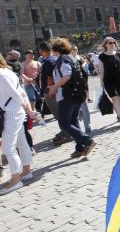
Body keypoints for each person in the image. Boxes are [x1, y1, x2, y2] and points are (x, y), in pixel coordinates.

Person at [48, 38, 96, 158]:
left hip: (68, 95)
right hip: (77, 94)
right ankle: (80, 148)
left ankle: (87, 140)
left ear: (56, 49)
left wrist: (55, 86)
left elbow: (67, 75)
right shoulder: (71, 58)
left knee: (64, 123)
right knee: (73, 121)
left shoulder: (63, 60)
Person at [0, 52, 37, 195]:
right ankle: (26, 171)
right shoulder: (7, 72)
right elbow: (20, 92)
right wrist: (28, 110)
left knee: (8, 147)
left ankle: (15, 179)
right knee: (21, 142)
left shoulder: (2, 75)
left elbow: (17, 94)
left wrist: (28, 110)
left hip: (12, 112)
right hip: (14, 110)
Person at [38, 42, 71, 145]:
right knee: (60, 113)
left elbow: (49, 78)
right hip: (56, 89)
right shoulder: (53, 59)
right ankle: (66, 132)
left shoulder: (48, 61)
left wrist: (49, 91)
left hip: (51, 90)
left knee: (59, 114)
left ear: (41, 51)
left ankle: (66, 133)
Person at [98, 37, 120, 125]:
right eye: (110, 43)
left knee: (119, 98)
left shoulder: (118, 54)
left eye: (113, 42)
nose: (112, 44)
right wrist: (101, 82)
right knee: (114, 98)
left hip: (118, 79)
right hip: (108, 80)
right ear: (105, 44)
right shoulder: (102, 56)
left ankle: (118, 115)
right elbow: (101, 70)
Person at [71, 46, 91, 135]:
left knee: (84, 105)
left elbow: (86, 70)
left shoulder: (80, 58)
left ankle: (88, 126)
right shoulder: (69, 60)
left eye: (76, 49)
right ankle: (79, 115)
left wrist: (85, 64)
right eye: (73, 49)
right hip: (74, 86)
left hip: (83, 83)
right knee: (77, 107)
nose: (75, 51)